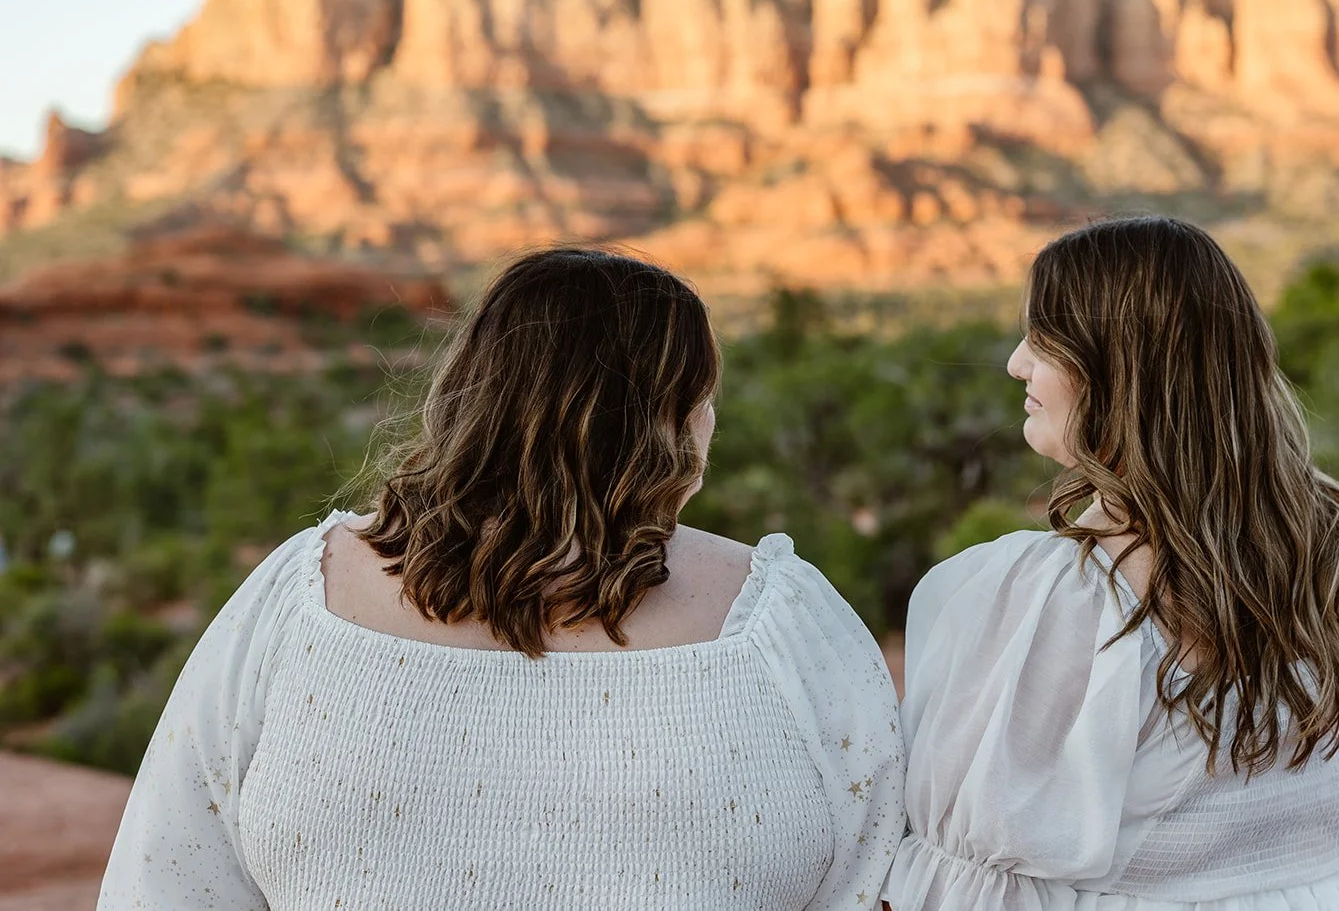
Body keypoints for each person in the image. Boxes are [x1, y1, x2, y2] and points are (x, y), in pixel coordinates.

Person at [99, 247, 904, 910]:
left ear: (470, 395)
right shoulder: (788, 627)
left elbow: (166, 875)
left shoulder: (304, 597)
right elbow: (875, 881)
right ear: (675, 420)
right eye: (704, 397)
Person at [883, 217, 1339, 910]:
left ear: (1119, 372)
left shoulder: (1051, 599)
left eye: (1042, 340)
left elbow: (962, 866)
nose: (1016, 363)